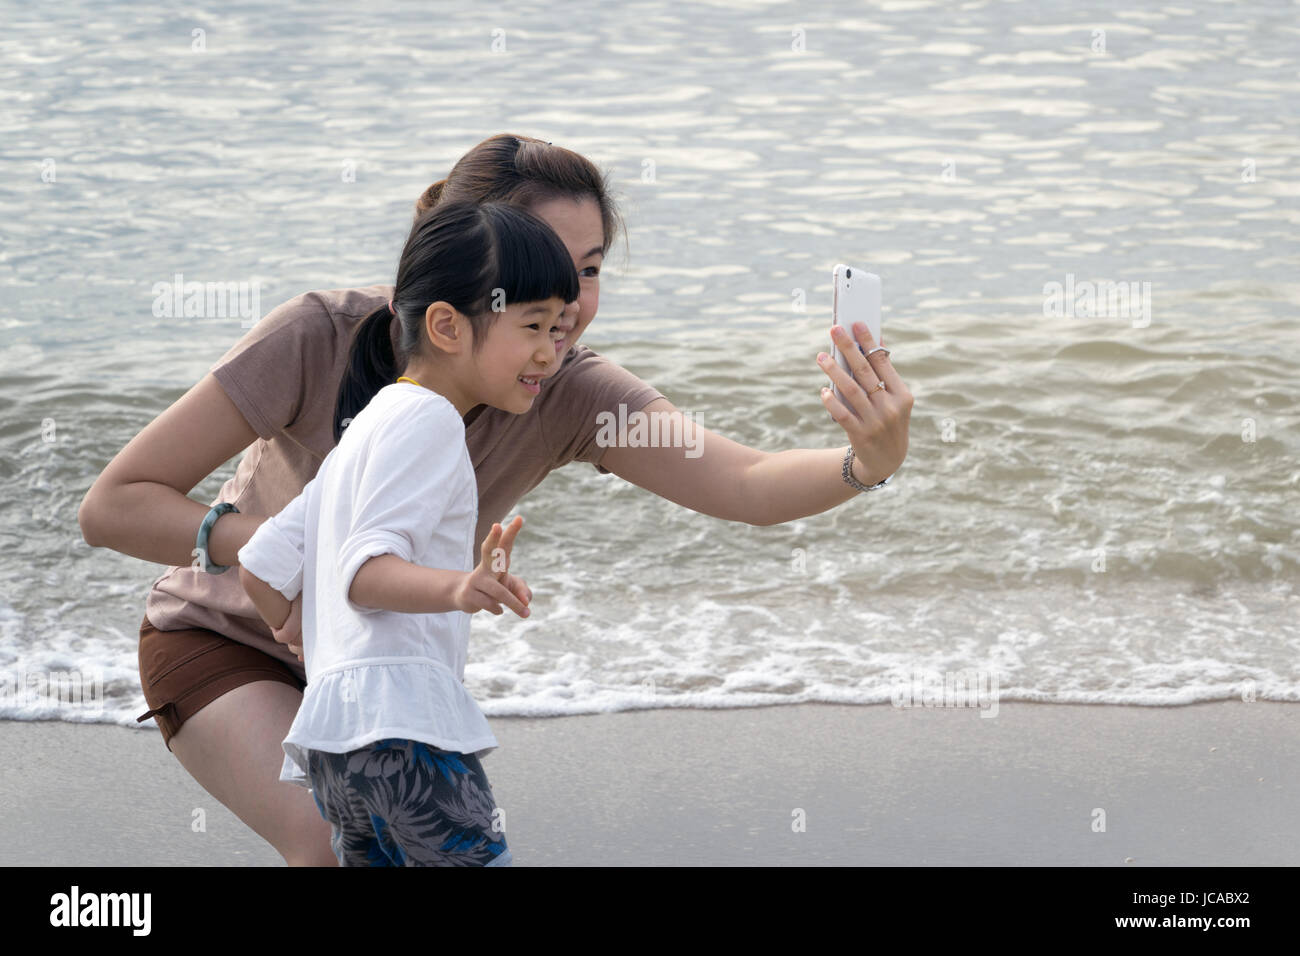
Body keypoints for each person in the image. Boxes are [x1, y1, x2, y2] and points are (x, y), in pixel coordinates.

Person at [77, 133, 913, 866]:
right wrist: (310, 561)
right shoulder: (320, 335)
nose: (574, 303)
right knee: (328, 846)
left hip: (371, 674)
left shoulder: (566, 388)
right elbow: (115, 503)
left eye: (588, 272)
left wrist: (865, 460)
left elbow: (743, 484)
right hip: (222, 643)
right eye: (544, 262)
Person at [236, 200, 570, 866]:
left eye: (559, 328)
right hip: (403, 732)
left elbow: (259, 564)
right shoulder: (432, 421)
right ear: (446, 325)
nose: (550, 352)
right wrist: (461, 587)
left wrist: (312, 637)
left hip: (336, 748)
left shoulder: (363, 429)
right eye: (533, 325)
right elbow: (366, 574)